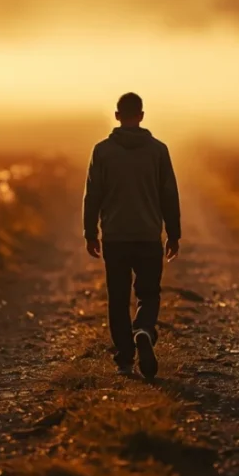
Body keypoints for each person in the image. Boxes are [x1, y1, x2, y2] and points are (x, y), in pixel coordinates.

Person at [82, 92, 181, 379]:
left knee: (118, 297)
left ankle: (125, 358)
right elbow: (169, 195)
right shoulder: (159, 151)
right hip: (149, 236)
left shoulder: (101, 151)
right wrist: (173, 234)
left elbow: (93, 195)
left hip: (114, 237)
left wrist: (91, 233)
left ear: (116, 116)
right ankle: (143, 330)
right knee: (149, 293)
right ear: (141, 115)